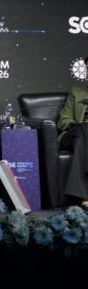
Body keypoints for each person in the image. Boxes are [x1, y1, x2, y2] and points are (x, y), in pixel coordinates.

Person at [57, 57, 88, 207]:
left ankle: (83, 196)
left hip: (80, 139)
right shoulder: (76, 92)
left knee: (82, 140)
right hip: (73, 132)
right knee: (83, 129)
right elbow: (64, 119)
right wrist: (76, 126)